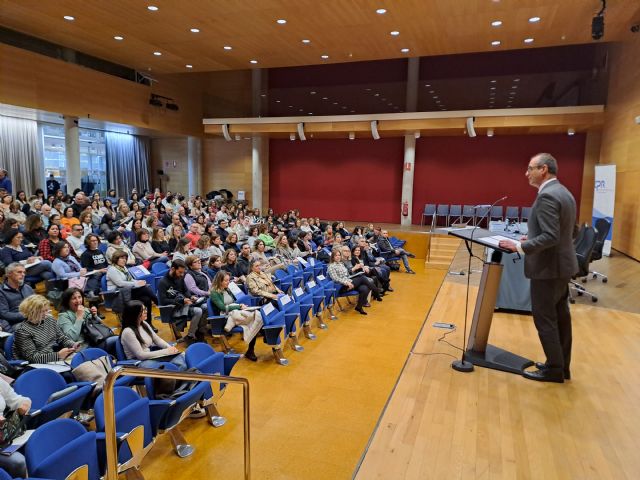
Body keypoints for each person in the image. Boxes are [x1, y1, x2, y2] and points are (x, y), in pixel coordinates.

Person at [499, 153, 578, 383]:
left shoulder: (547, 196)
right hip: (562, 266)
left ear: (543, 169)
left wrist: (520, 247)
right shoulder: (565, 192)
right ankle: (562, 366)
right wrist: (532, 237)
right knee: (561, 317)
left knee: (544, 318)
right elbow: (570, 232)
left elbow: (551, 236)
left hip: (548, 269)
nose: (526, 173)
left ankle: (554, 369)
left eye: (530, 168)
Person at [210, 271, 263, 361]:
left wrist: (241, 306)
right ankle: (252, 349)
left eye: (228, 280)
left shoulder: (227, 289)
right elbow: (222, 307)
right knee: (255, 319)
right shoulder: (214, 293)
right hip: (225, 317)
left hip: (234, 312)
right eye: (226, 280)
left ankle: (250, 350)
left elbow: (234, 302)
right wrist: (239, 306)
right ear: (219, 281)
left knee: (255, 317)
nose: (228, 282)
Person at [119, 300, 186, 369]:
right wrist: (165, 351)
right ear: (134, 314)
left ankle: (187, 376)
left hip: (149, 356)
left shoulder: (144, 323)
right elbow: (140, 355)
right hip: (138, 362)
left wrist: (170, 348)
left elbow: (157, 339)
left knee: (180, 358)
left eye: (145, 309)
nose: (146, 312)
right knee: (167, 367)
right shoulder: (128, 332)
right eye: (143, 310)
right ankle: (185, 377)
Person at [13, 294, 78, 363]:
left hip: (52, 358)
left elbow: (61, 338)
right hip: (35, 364)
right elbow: (32, 357)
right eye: (42, 311)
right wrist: (57, 355)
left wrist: (73, 344)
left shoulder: (49, 319)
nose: (46, 314)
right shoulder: (22, 330)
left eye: (46, 310)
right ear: (32, 312)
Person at [157, 259, 209, 344]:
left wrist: (191, 296)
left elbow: (186, 291)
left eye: (183, 272)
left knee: (205, 307)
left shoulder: (180, 277)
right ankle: (190, 335)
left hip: (185, 304)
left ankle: (200, 332)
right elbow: (163, 300)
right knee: (198, 311)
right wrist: (182, 300)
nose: (182, 275)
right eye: (180, 272)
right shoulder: (163, 282)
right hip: (174, 307)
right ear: (173, 269)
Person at [106, 250, 158, 330]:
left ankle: (149, 323)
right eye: (121, 258)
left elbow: (131, 280)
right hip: (118, 294)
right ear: (116, 259)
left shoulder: (123, 268)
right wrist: (136, 284)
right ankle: (158, 302)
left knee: (147, 299)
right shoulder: (112, 269)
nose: (124, 260)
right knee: (145, 289)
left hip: (128, 292)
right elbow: (120, 283)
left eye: (125, 258)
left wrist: (139, 282)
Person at [0, 378, 31, 477]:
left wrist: (24, 404)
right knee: (19, 462)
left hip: (4, 434)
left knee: (39, 442)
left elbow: (16, 400)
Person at [327, 249, 371, 315]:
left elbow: (347, 275)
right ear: (333, 257)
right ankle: (375, 290)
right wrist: (346, 282)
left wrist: (351, 278)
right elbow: (335, 278)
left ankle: (359, 307)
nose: (338, 257)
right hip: (341, 287)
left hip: (349, 283)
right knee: (362, 278)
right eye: (336, 255)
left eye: (339, 255)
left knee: (364, 288)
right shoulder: (331, 266)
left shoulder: (341, 264)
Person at [0, 263, 34, 333]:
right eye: (19, 272)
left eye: (24, 272)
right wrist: (27, 315)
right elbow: (4, 314)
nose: (23, 274)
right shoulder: (1, 292)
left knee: (51, 322)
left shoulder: (28, 288)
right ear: (9, 274)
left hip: (33, 318)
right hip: (14, 324)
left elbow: (37, 304)